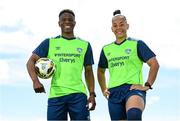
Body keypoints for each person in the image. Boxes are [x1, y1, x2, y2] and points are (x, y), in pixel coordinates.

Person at [26, 9, 96, 120]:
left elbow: (88, 71)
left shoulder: (85, 45)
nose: (67, 22)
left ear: (74, 23)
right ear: (59, 23)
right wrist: (35, 81)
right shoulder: (49, 43)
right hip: (56, 95)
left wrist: (92, 94)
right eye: (64, 20)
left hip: (78, 95)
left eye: (70, 20)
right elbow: (30, 62)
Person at [97, 10, 159, 121]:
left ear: (127, 26)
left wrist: (147, 85)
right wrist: (103, 89)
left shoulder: (137, 44)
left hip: (133, 89)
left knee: (134, 115)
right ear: (112, 29)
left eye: (121, 24)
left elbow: (154, 64)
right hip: (114, 93)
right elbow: (100, 71)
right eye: (115, 25)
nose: (118, 28)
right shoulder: (106, 49)